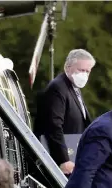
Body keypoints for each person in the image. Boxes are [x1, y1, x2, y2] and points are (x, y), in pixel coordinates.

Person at [34, 48, 96, 176]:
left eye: (87, 71)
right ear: (67, 67)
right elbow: (54, 125)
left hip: (74, 159)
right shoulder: (58, 88)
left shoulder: (74, 88)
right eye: (81, 70)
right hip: (59, 164)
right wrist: (63, 159)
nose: (84, 75)